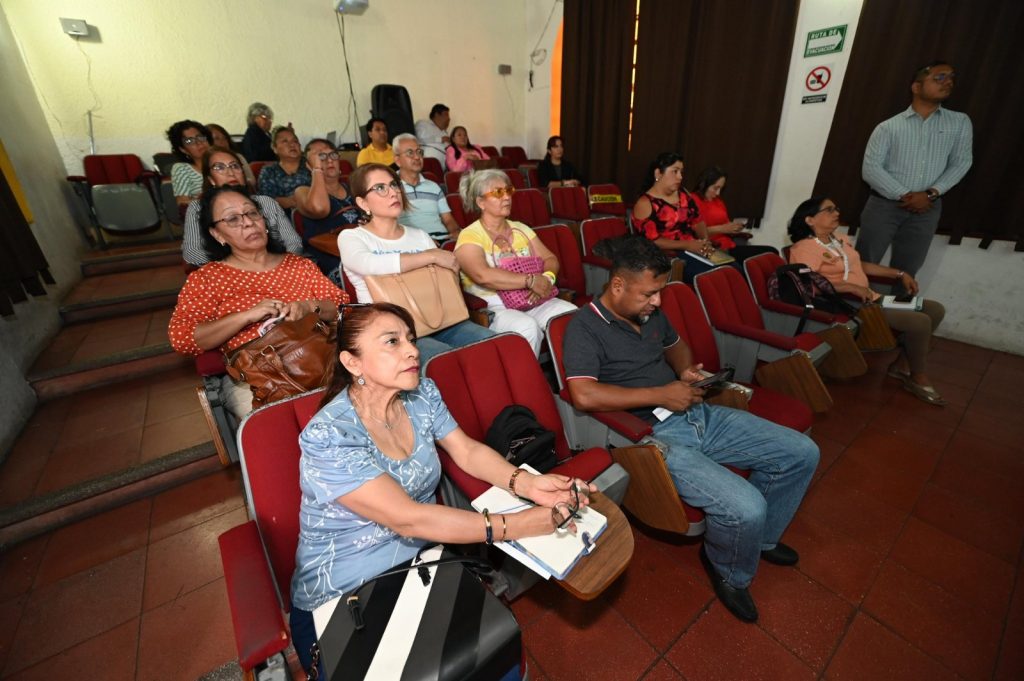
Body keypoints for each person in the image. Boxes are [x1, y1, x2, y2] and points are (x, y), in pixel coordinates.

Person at [288, 301, 593, 676]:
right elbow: (408, 519)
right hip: (346, 591)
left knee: (497, 660)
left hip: (421, 564)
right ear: (353, 362)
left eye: (410, 339)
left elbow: (466, 451)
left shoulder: (421, 395)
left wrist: (529, 483)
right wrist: (519, 525)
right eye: (392, 341)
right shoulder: (329, 435)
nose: (412, 350)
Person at [562, 234, 818, 623]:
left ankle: (760, 540)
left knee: (802, 452)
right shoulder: (584, 327)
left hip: (696, 412)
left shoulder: (648, 313)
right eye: (649, 293)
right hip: (651, 437)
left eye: (660, 292)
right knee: (746, 507)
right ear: (618, 285)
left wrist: (684, 371)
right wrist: (661, 394)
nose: (657, 301)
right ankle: (729, 570)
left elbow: (676, 345)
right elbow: (583, 395)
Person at [168, 186, 347, 418]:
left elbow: (341, 306)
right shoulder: (208, 278)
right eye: (232, 219)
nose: (248, 223)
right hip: (260, 379)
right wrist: (246, 316)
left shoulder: (298, 265)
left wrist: (310, 306)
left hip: (324, 359)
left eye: (252, 213)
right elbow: (183, 338)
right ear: (217, 234)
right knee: (278, 425)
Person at [788, 197, 947, 405]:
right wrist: (850, 287)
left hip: (872, 299)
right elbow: (808, 284)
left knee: (935, 309)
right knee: (920, 322)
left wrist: (899, 273)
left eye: (836, 208)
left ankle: (901, 365)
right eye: (829, 210)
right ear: (810, 219)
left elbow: (859, 265)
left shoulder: (840, 239)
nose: (837, 213)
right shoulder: (804, 248)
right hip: (850, 305)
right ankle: (918, 376)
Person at [339, 163, 494, 364]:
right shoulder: (352, 237)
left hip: (442, 319)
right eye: (380, 188)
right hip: (392, 332)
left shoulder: (419, 236)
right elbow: (367, 264)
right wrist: (431, 256)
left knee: (494, 344)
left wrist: (450, 269)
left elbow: (446, 279)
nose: (393, 192)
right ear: (363, 203)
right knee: (444, 360)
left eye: (394, 185)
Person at [857, 61, 972, 290]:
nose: (948, 82)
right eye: (939, 77)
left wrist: (929, 194)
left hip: (927, 209)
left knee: (908, 268)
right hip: (883, 206)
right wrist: (907, 195)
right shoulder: (888, 127)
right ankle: (857, 309)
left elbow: (961, 162)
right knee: (863, 263)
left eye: (951, 77)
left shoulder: (959, 122)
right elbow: (871, 169)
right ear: (916, 87)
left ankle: (895, 311)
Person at [454, 170, 576, 356]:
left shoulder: (521, 228)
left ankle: (576, 372)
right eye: (498, 192)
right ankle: (525, 376)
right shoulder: (470, 235)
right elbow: (482, 275)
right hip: (495, 306)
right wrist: (530, 281)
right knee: (527, 328)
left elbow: (550, 259)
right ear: (480, 202)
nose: (506, 197)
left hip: (533, 297)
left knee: (571, 316)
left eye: (508, 190)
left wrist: (546, 279)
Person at [181, 147, 303, 266]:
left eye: (235, 166)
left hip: (278, 267)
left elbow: (294, 243)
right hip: (227, 273)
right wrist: (234, 268)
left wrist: (278, 266)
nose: (231, 173)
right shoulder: (198, 208)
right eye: (220, 167)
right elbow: (192, 253)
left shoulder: (266, 202)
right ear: (211, 179)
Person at [631, 152, 719, 283]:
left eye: (681, 172)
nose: (680, 177)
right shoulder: (645, 203)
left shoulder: (683, 194)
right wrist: (688, 245)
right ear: (658, 173)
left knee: (732, 270)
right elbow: (652, 241)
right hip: (670, 256)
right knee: (712, 277)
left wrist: (706, 243)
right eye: (675, 171)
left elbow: (697, 220)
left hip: (693, 249)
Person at [294, 139, 362, 281]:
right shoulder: (302, 191)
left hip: (363, 249)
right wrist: (317, 170)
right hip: (330, 258)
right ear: (309, 165)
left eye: (332, 155)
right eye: (321, 156)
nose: (329, 160)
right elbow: (320, 209)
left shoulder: (354, 187)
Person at [690, 166, 777, 265]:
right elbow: (694, 233)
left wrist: (733, 228)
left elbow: (725, 224)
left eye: (721, 188)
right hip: (712, 248)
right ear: (704, 184)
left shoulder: (718, 201)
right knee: (740, 268)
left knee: (771, 252)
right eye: (715, 188)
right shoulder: (693, 200)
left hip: (729, 245)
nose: (718, 193)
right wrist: (722, 229)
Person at [393, 133, 461, 241]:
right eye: (410, 153)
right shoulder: (391, 189)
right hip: (412, 243)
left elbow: (448, 219)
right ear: (397, 160)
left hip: (442, 239)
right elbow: (389, 226)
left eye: (419, 152)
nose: (417, 157)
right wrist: (424, 241)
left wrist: (455, 232)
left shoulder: (434, 187)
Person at [257, 126, 311, 210]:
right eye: (285, 141)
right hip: (281, 215)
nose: (292, 144)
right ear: (275, 148)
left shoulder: (312, 165)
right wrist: (293, 201)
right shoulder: (269, 171)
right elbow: (266, 201)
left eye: (295, 141)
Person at [166, 120, 211, 206]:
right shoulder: (182, 169)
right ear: (183, 149)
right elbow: (182, 202)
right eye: (189, 141)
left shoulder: (222, 161)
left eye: (200, 137)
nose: (199, 143)